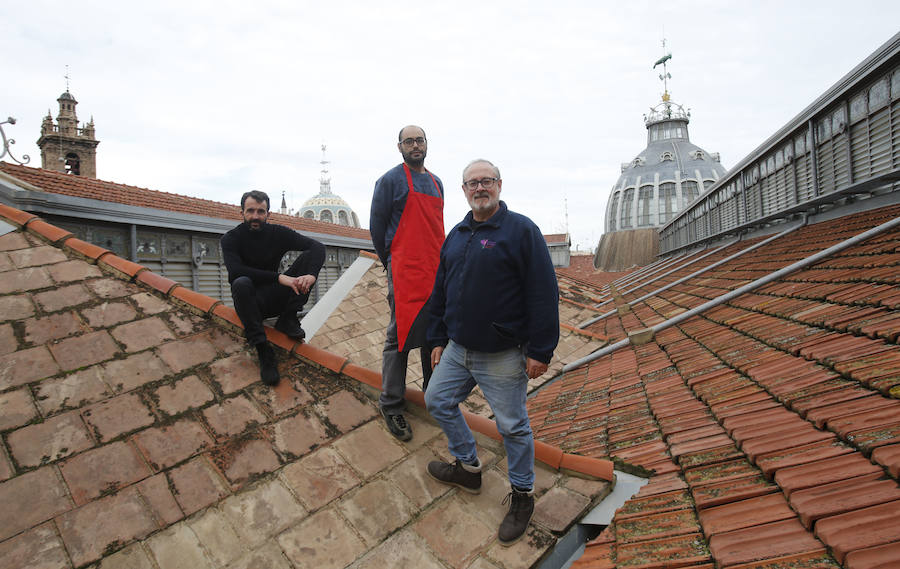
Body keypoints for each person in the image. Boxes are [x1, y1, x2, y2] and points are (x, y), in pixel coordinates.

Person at [425, 159, 559, 546]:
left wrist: (541, 350)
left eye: (486, 181)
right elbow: (441, 289)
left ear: (499, 185)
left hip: (502, 352)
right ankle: (469, 467)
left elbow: (543, 292)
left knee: (512, 426)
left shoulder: (520, 231)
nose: (479, 188)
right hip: (458, 348)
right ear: (464, 190)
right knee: (437, 400)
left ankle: (522, 494)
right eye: (472, 183)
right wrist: (436, 338)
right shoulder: (458, 233)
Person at [369, 125, 444, 442]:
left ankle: (433, 395)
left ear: (427, 144)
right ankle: (391, 403)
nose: (415, 145)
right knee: (398, 336)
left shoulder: (438, 183)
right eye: (409, 141)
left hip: (436, 267)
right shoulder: (390, 181)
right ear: (399, 147)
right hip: (404, 268)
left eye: (420, 140)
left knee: (434, 333)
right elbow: (377, 226)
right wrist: (391, 261)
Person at [221, 190, 325, 386]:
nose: (255, 216)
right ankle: (263, 350)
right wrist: (279, 278)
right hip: (251, 303)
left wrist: (311, 275)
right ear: (241, 212)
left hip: (277, 297)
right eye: (250, 211)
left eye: (261, 211)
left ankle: (288, 318)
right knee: (241, 283)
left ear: (268, 214)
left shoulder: (277, 233)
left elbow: (317, 247)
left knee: (309, 257)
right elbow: (236, 271)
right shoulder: (231, 239)